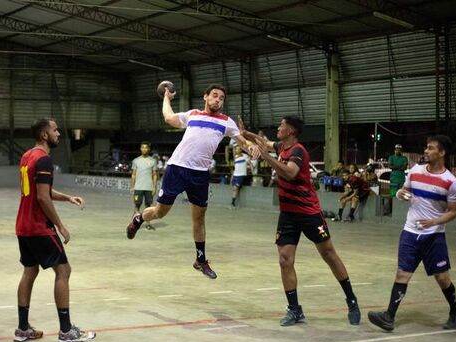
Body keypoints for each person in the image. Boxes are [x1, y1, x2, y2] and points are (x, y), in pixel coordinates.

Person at [126, 83, 259, 279]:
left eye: (221, 98)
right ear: (205, 97)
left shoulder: (226, 122)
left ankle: (200, 260)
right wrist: (166, 97)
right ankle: (139, 218)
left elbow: (243, 142)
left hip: (200, 175)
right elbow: (168, 117)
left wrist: (252, 147)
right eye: (214, 95)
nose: (218, 100)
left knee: (199, 218)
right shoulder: (193, 114)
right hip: (177, 168)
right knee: (160, 212)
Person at [240, 116, 361, 326]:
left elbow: (289, 173)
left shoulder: (298, 151)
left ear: (291, 131)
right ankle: (295, 310)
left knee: (329, 255)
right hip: (288, 214)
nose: (278, 128)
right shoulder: (281, 146)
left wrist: (266, 157)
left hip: (308, 213)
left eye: (281, 125)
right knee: (284, 260)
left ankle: (352, 300)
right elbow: (266, 143)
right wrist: (246, 133)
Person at [368, 135, 456, 332]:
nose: (425, 151)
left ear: (442, 153)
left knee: (442, 278)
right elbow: (403, 190)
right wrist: (399, 194)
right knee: (402, 273)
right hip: (410, 232)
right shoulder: (415, 171)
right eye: (426, 148)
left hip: (434, 236)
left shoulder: (451, 182)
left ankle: (455, 313)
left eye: (430, 148)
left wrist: (434, 221)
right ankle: (389, 317)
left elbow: (453, 212)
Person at [15, 118, 96, 342]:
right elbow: (41, 197)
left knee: (29, 272)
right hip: (39, 227)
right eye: (55, 130)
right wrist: (60, 225)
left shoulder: (27, 156)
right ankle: (66, 331)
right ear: (44, 135)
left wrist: (68, 198)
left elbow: (42, 191)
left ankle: (22, 328)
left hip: (23, 226)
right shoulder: (43, 160)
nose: (58, 133)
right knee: (64, 271)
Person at [130, 142, 158, 230]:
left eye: (146, 148)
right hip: (138, 187)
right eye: (142, 147)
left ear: (149, 149)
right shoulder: (136, 161)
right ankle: (135, 224)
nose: (144, 149)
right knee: (137, 205)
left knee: (148, 207)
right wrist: (132, 186)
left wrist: (154, 187)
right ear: (140, 149)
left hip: (148, 188)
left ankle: (148, 224)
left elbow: (154, 175)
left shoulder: (153, 161)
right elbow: (133, 175)